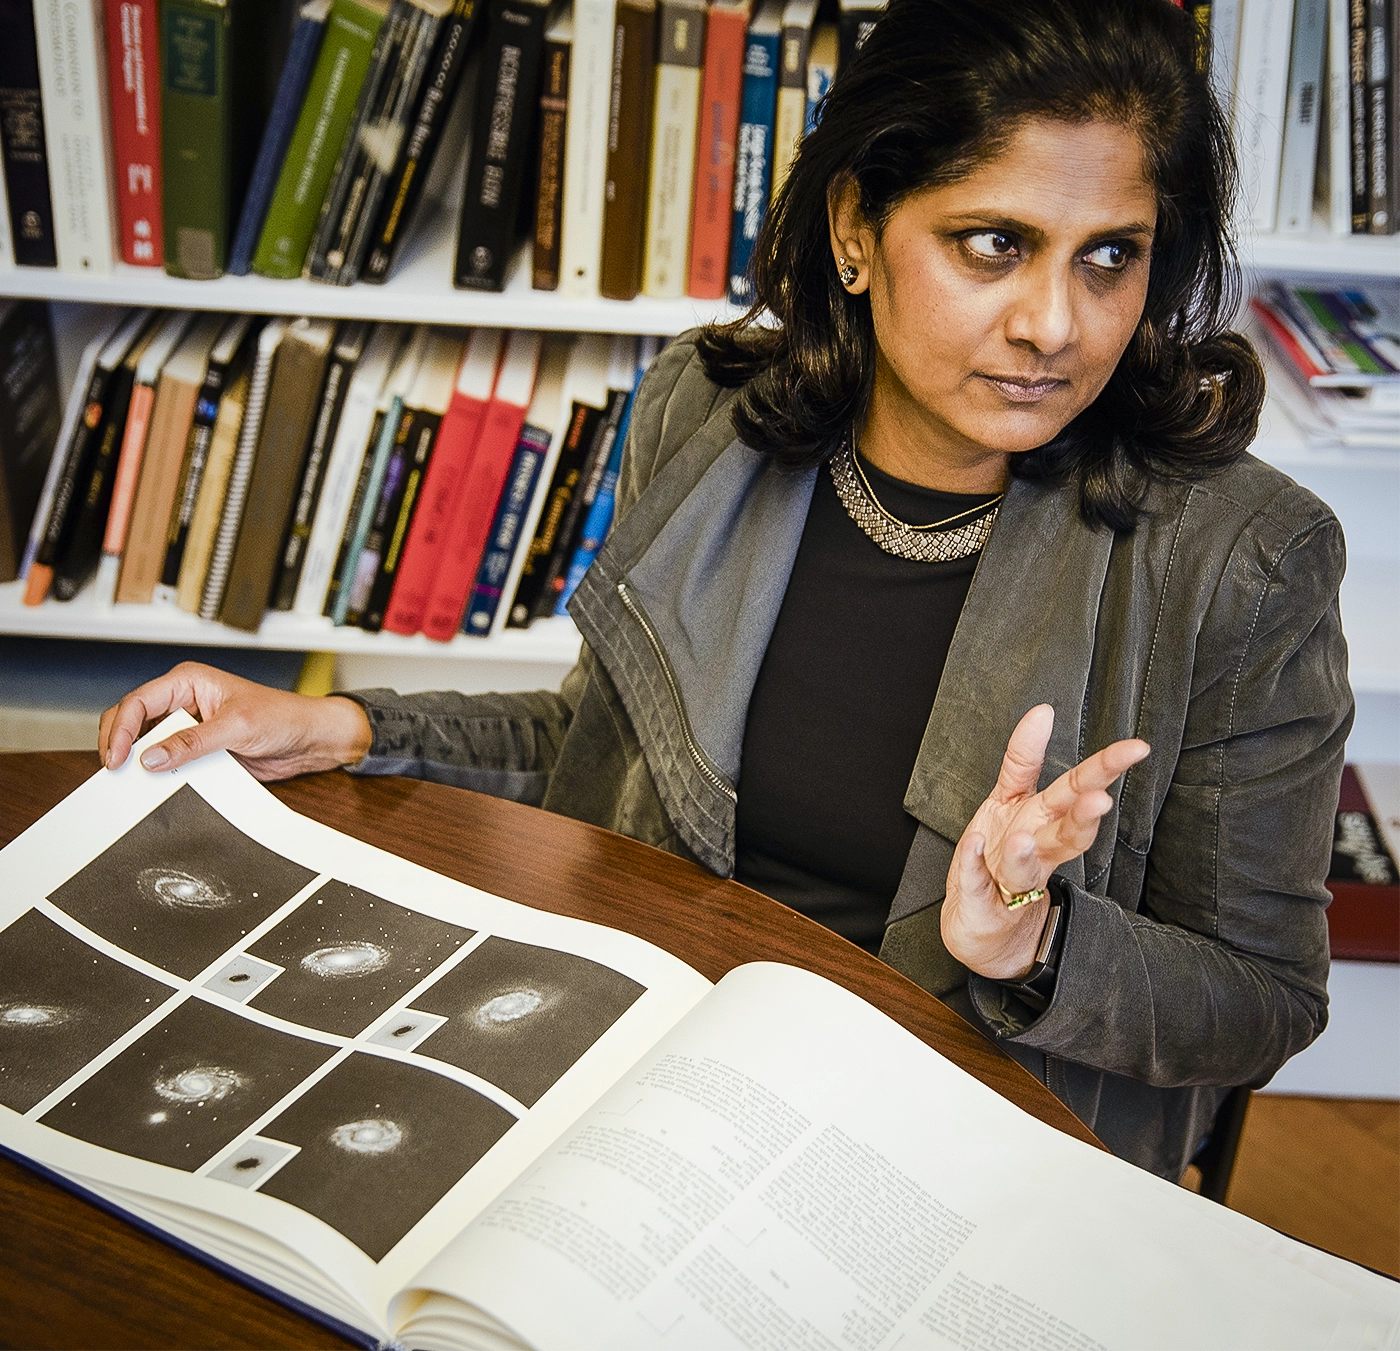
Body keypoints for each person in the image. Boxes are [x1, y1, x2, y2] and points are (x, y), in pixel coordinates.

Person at [100, 0, 1350, 1179]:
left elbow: (1262, 1002)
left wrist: (1035, 943)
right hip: (655, 1067)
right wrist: (347, 727)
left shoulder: (1240, 560)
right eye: (993, 244)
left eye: (1107, 259)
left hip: (967, 1140)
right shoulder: (710, 413)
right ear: (855, 229)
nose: (1053, 324)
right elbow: (604, 746)